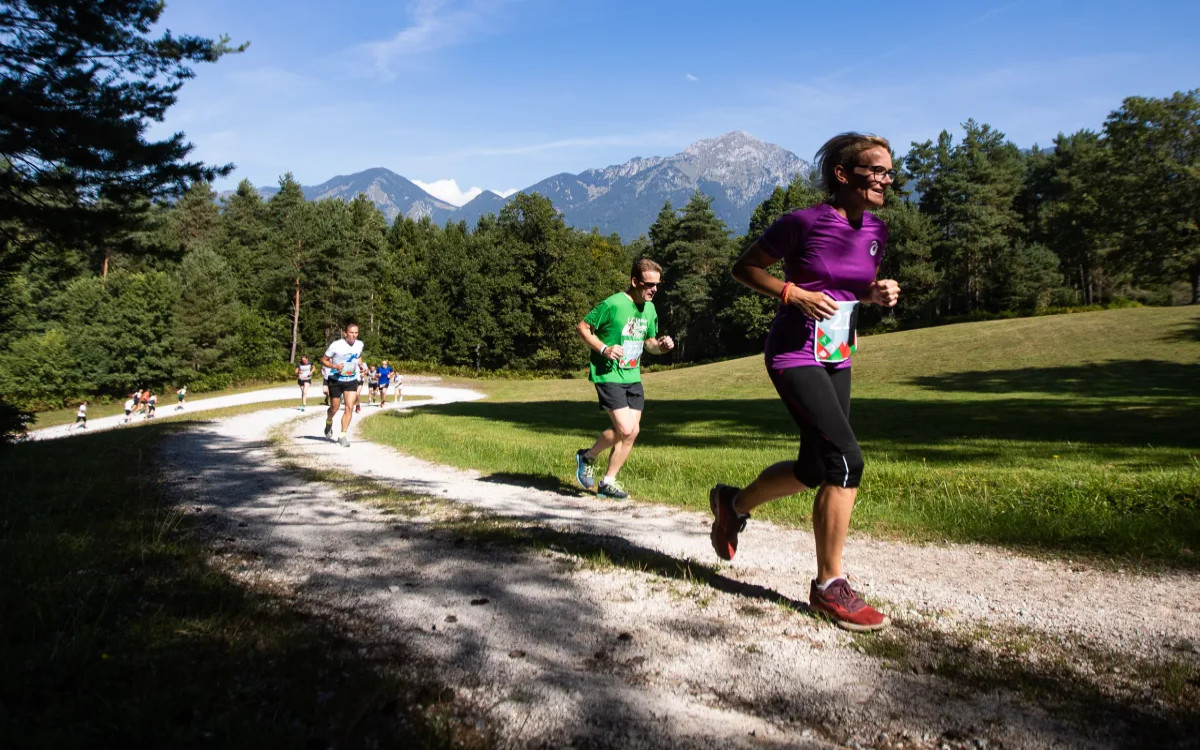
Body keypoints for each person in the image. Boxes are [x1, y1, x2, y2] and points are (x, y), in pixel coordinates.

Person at [708, 132, 901, 632]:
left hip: (836, 353)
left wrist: (875, 293)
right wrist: (791, 293)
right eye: (875, 170)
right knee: (845, 461)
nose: (885, 178)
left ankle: (734, 503)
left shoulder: (876, 229)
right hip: (794, 352)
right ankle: (828, 586)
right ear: (844, 175)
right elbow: (744, 267)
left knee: (816, 466)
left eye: (889, 171)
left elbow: (849, 283)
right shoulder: (802, 222)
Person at [573, 258, 675, 499]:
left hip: (632, 375)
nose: (654, 289)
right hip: (608, 374)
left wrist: (661, 346)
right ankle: (587, 456)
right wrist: (604, 349)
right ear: (635, 281)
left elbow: (649, 343)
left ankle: (608, 482)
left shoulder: (649, 309)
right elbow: (582, 327)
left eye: (657, 285)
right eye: (649, 284)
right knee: (625, 428)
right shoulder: (614, 304)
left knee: (632, 432)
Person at [321, 323, 364, 447]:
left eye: (356, 333)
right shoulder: (336, 345)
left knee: (349, 407)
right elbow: (323, 360)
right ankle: (329, 421)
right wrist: (335, 366)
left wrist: (361, 365)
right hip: (335, 379)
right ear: (345, 333)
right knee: (334, 406)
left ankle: (342, 435)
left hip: (351, 380)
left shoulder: (360, 344)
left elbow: (358, 356)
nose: (354, 335)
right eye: (351, 333)